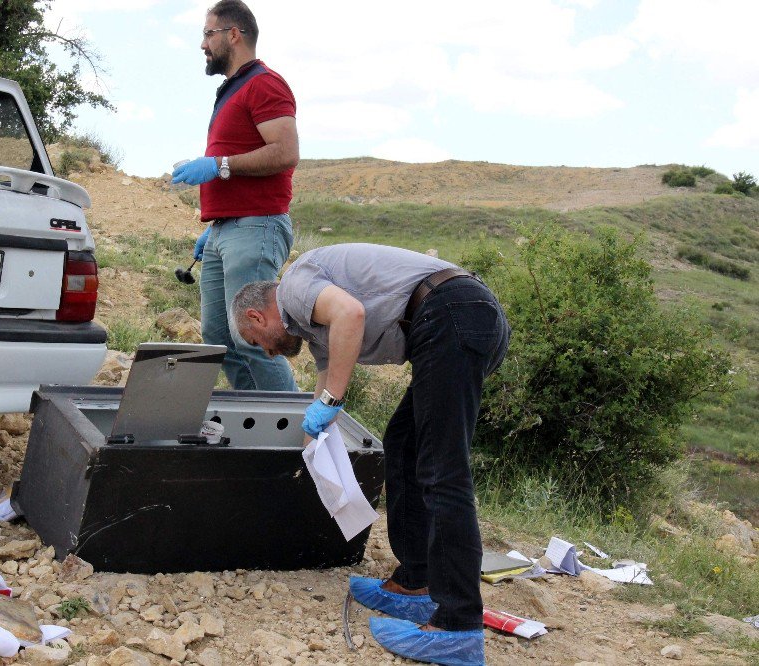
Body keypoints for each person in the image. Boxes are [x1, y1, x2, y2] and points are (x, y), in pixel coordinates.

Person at [231, 243, 510, 665]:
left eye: (259, 343)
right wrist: (315, 438)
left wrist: (332, 401)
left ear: (256, 316)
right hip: (453, 318)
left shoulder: (295, 287)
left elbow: (352, 315)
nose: (269, 351)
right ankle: (418, 581)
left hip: (452, 313)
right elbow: (327, 371)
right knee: (403, 445)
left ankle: (458, 625)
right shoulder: (312, 326)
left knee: (442, 471)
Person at [171, 0, 298, 392]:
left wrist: (219, 165)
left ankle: (291, 436)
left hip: (255, 226)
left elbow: (286, 151)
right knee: (219, 337)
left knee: (252, 335)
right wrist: (219, 226)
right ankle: (256, 422)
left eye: (208, 34)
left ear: (233, 34)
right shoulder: (234, 89)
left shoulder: (264, 83)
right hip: (229, 230)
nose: (203, 44)